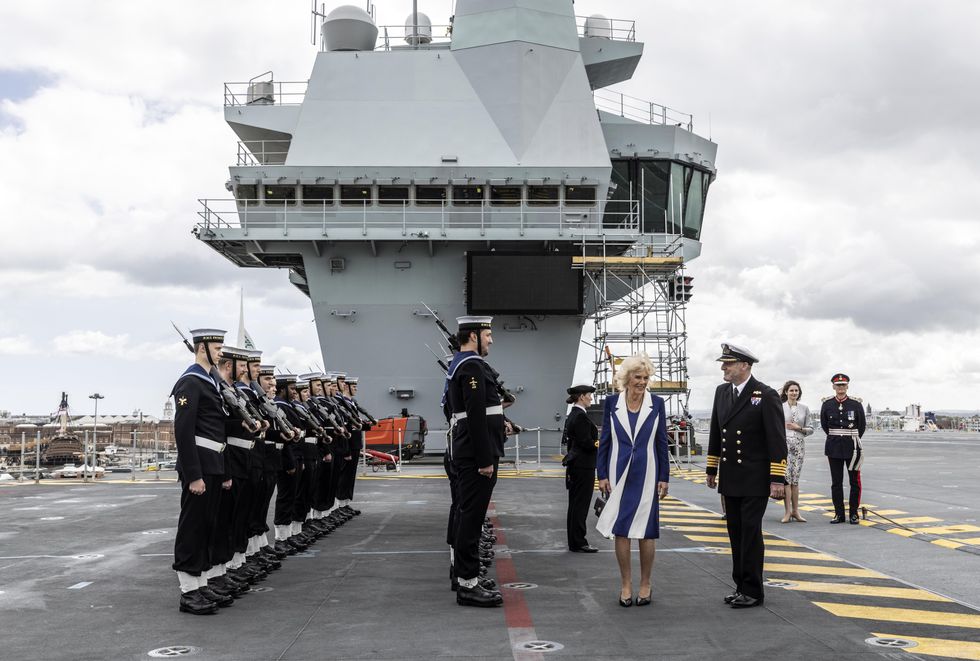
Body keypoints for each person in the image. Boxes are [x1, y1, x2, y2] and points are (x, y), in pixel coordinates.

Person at [705, 343, 787, 609]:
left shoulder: (765, 394)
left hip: (754, 477)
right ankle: (740, 585)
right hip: (730, 476)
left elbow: (777, 438)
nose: (723, 368)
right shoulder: (721, 392)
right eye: (723, 363)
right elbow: (718, 432)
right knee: (735, 532)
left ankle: (753, 590)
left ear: (744, 366)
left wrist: (777, 479)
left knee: (750, 534)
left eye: (728, 363)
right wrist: (711, 467)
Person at [596, 354, 670, 607]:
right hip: (618, 473)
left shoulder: (657, 403)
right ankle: (626, 583)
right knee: (622, 530)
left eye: (646, 378)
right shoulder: (611, 403)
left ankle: (645, 583)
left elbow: (661, 442)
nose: (642, 382)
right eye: (637, 377)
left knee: (647, 532)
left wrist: (664, 476)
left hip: (647, 473)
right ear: (626, 378)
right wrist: (602, 474)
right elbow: (605, 440)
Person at [446, 315, 506, 608]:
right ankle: (467, 585)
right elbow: (475, 414)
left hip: (472, 449)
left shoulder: (465, 364)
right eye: (488, 334)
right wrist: (484, 459)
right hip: (475, 453)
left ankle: (466, 577)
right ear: (473, 336)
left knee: (470, 515)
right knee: (470, 517)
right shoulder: (470, 365)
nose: (491, 339)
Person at [170, 328, 229, 615]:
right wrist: (194, 474)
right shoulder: (190, 382)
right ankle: (188, 591)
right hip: (200, 466)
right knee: (193, 528)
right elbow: (183, 431)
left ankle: (201, 583)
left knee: (208, 526)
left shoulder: (210, 382)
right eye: (216, 347)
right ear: (201, 348)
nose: (220, 352)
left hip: (214, 463)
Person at [820, 373, 866, 525]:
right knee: (836, 483)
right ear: (833, 386)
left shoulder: (856, 404)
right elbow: (825, 425)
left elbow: (862, 426)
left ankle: (854, 513)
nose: (841, 388)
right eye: (838, 385)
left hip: (852, 447)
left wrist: (851, 438)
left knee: (854, 482)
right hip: (834, 447)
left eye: (843, 385)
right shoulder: (827, 404)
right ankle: (839, 514)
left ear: (847, 386)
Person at [562, 383, 599, 553]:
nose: (591, 398)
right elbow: (586, 443)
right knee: (581, 504)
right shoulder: (581, 417)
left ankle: (575, 541)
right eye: (589, 395)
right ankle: (579, 542)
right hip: (584, 466)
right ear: (582, 396)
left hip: (576, 465)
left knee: (575, 504)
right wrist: (601, 444)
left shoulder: (573, 415)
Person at [780, 380, 813, 523]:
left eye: (796, 391)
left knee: (795, 480)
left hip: (799, 445)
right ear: (786, 392)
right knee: (786, 479)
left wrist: (798, 428)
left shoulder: (804, 408)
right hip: (784, 445)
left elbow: (810, 429)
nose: (794, 393)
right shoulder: (780, 407)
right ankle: (787, 511)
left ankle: (796, 511)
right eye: (791, 390)